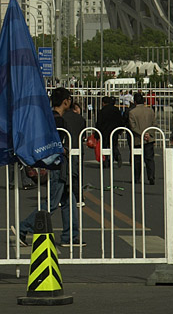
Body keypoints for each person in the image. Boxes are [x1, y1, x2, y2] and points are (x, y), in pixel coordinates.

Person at [17, 88, 84, 249]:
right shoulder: (58, 121)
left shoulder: (47, 117)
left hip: (58, 165)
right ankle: (23, 228)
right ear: (66, 101)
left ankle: (70, 236)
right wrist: (65, 149)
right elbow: (56, 145)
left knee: (68, 200)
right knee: (52, 203)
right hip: (57, 165)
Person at [127, 92, 157, 185]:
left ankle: (137, 177)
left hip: (138, 138)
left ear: (135, 101)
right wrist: (148, 134)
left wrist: (142, 134)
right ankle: (151, 176)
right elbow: (154, 124)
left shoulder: (132, 112)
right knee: (149, 158)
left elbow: (133, 127)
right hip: (149, 138)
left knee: (137, 159)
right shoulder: (150, 111)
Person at [94, 96, 126, 168]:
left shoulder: (102, 111)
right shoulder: (116, 110)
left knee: (105, 146)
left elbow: (99, 123)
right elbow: (120, 120)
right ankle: (116, 155)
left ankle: (106, 161)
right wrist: (120, 130)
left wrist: (97, 134)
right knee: (113, 145)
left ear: (103, 103)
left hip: (104, 131)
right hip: (114, 130)